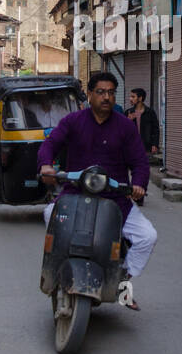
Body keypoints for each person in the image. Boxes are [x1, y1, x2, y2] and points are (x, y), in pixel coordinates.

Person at [38, 71, 157, 308]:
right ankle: (57, 271)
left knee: (147, 236)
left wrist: (139, 185)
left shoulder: (125, 126)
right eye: (101, 92)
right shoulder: (73, 122)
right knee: (50, 215)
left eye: (111, 93)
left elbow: (140, 163)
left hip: (115, 200)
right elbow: (50, 144)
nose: (106, 97)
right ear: (90, 94)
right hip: (74, 194)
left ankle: (122, 279)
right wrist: (46, 166)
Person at [126, 87, 160, 157]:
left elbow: (156, 129)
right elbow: (122, 131)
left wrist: (155, 144)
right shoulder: (128, 112)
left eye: (133, 97)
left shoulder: (150, 112)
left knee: (144, 166)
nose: (130, 99)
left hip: (146, 147)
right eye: (130, 96)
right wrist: (128, 121)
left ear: (140, 98)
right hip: (131, 146)